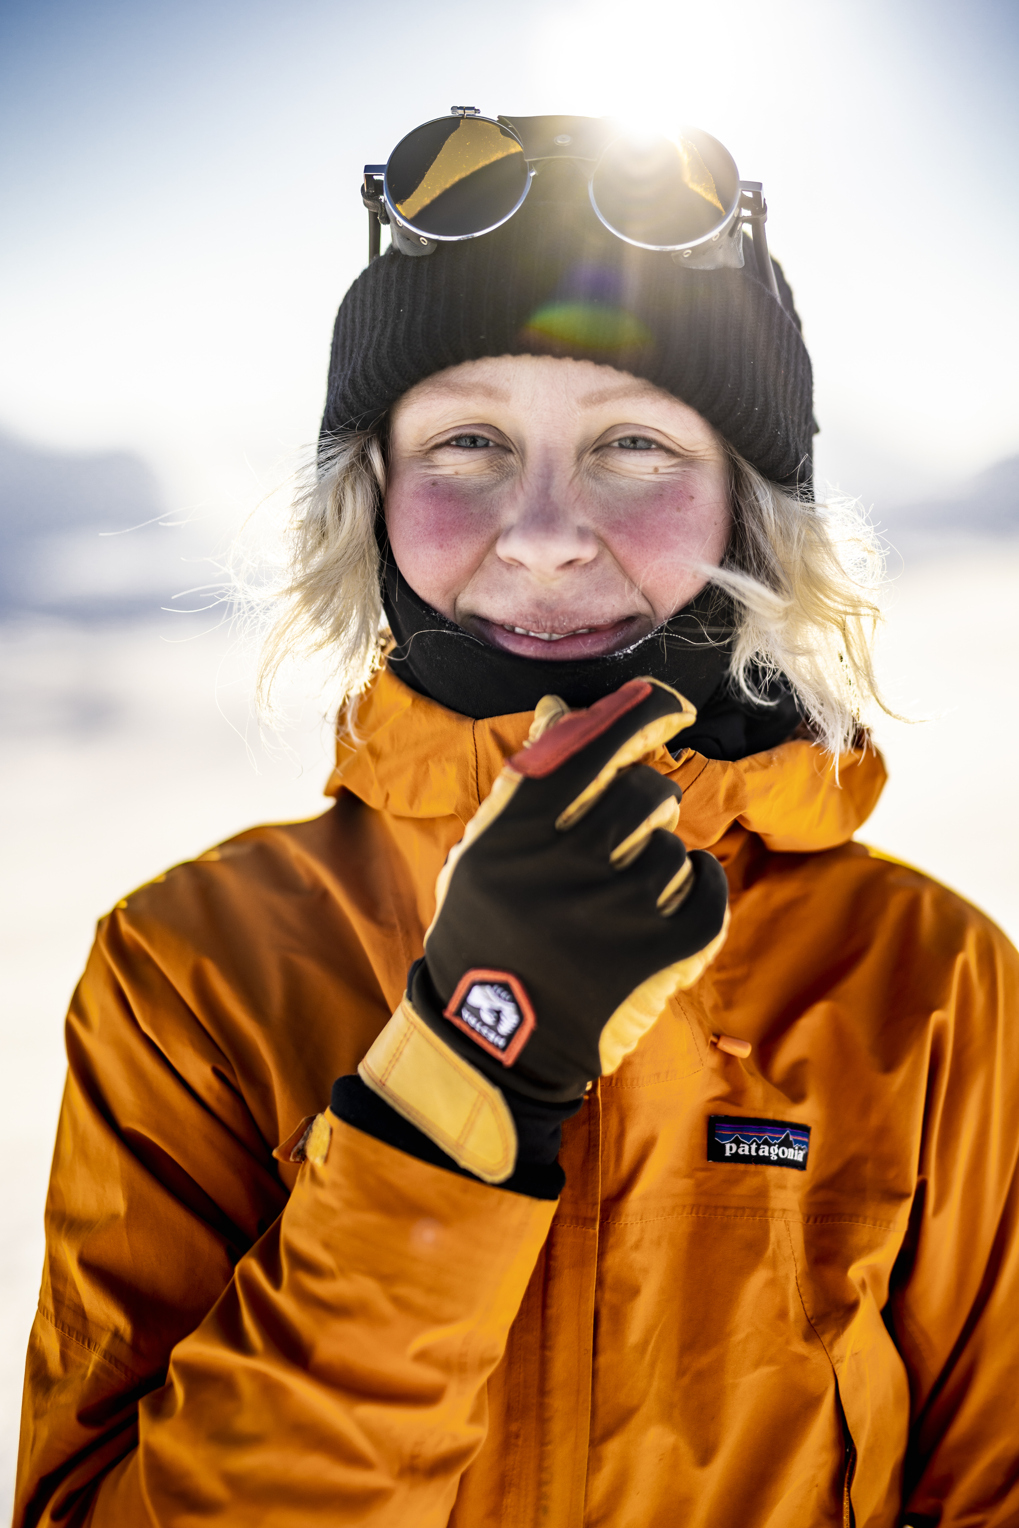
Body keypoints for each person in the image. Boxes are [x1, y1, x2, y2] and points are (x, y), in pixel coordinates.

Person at [15, 113, 1019, 1527]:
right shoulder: (193, 967)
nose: (544, 533)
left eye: (634, 445)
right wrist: (464, 1074)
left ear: (748, 513)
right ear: (370, 498)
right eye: (469, 441)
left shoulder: (930, 985)